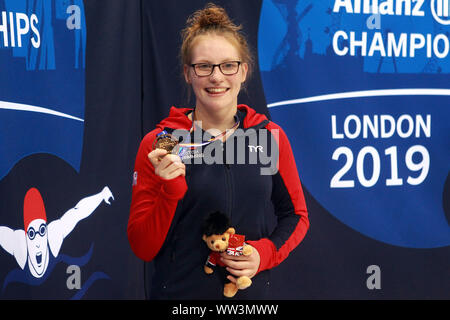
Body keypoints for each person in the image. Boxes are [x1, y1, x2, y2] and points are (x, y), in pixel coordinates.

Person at [127, 3, 309, 299]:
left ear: (243, 71)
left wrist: (264, 254)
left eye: (228, 65)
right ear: (188, 73)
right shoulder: (165, 140)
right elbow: (142, 246)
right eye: (203, 66)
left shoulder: (269, 137)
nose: (216, 77)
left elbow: (297, 216)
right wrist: (169, 192)